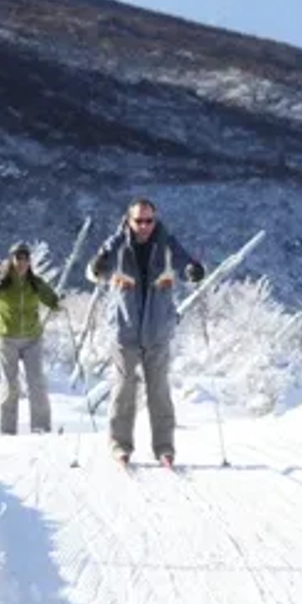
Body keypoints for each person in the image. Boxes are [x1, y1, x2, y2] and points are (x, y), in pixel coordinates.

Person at [86, 198, 204, 466]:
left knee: (159, 390)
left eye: (148, 220)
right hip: (124, 329)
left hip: (158, 329)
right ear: (128, 220)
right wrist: (97, 266)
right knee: (124, 388)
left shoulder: (166, 243)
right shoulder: (115, 244)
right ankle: (120, 445)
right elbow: (94, 272)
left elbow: (185, 264)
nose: (143, 226)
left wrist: (193, 271)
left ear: (155, 219)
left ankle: (164, 449)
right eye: (138, 220)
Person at [0, 242, 59, 434]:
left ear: (30, 261)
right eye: (17, 258)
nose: (21, 262)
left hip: (32, 339)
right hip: (7, 338)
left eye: (25, 259)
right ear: (10, 260)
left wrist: (58, 303)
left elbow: (52, 299)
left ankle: (41, 429)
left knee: (36, 383)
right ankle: (7, 431)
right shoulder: (1, 282)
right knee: (10, 384)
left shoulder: (35, 283)